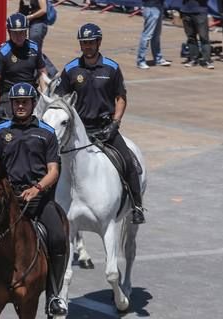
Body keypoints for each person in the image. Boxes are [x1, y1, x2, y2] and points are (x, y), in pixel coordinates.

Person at [0, 83, 68, 316]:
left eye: (25, 102)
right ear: (12, 104)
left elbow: (53, 171)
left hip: (38, 200)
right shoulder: (0, 132)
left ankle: (54, 296)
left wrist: (37, 188)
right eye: (17, 102)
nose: (21, 106)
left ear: (32, 104)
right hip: (7, 201)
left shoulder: (46, 133)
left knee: (59, 238)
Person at [54, 23, 146, 224]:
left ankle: (137, 206)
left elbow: (121, 98)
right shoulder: (70, 69)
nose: (87, 46)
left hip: (106, 128)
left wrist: (115, 123)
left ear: (99, 42)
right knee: (53, 163)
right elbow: (59, 100)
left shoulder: (111, 68)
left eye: (90, 42)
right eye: (83, 43)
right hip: (79, 132)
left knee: (129, 162)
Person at [0, 13, 47, 121]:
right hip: (9, 96)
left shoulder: (34, 49)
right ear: (9, 32)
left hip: (31, 93)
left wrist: (45, 95)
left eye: (21, 32)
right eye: (15, 33)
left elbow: (42, 73)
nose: (18, 36)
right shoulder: (1, 52)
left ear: (26, 32)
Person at [18, 0, 59, 77]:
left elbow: (44, 10)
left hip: (39, 25)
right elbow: (21, 10)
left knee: (34, 50)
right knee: (34, 50)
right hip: (31, 25)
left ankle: (51, 72)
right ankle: (46, 72)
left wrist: (30, 17)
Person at [136, 0, 172, 69]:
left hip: (159, 5)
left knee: (156, 35)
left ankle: (158, 58)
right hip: (150, 6)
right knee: (147, 35)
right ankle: (141, 61)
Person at [181, 0, 214, 69]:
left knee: (203, 37)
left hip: (200, 12)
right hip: (186, 11)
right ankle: (193, 59)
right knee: (190, 37)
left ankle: (206, 60)